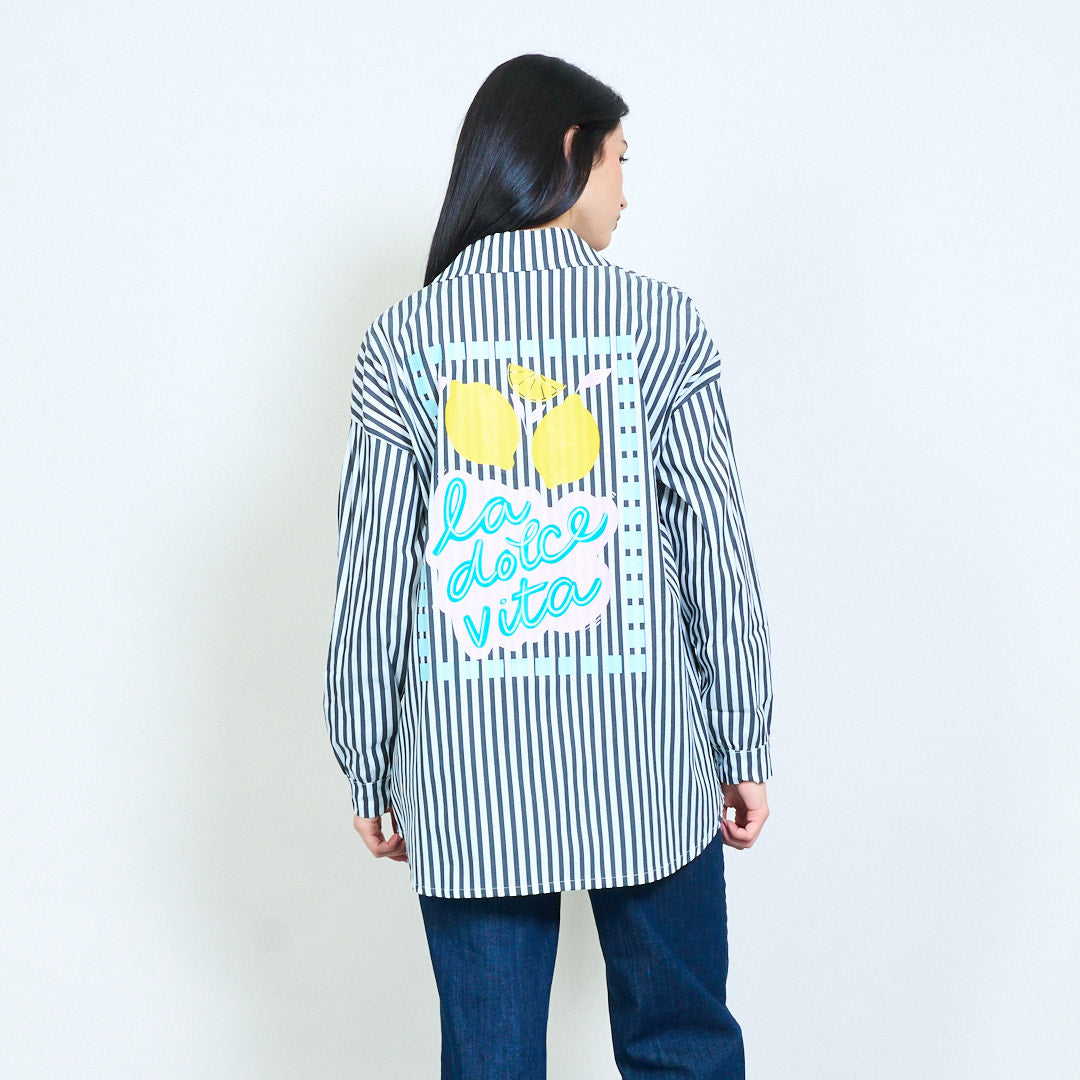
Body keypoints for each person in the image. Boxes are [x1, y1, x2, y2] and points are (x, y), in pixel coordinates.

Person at [323, 53, 773, 1080]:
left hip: (468, 776)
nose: (627, 190)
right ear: (572, 151)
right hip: (647, 762)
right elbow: (715, 545)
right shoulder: (660, 325)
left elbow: (372, 572)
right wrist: (742, 735)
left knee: (490, 1061)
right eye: (620, 160)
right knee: (683, 1046)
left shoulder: (404, 341)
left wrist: (368, 756)